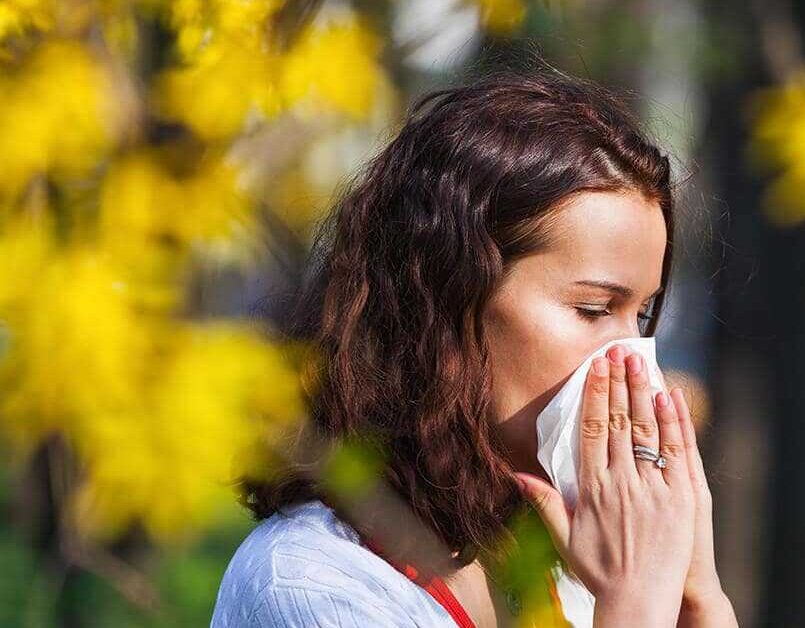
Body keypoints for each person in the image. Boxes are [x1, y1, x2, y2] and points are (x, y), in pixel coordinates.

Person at [209, 60, 737, 628]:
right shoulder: (310, 584)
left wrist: (697, 600)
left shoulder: (564, 559)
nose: (634, 362)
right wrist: (635, 604)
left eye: (643, 315)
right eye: (594, 309)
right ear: (449, 299)